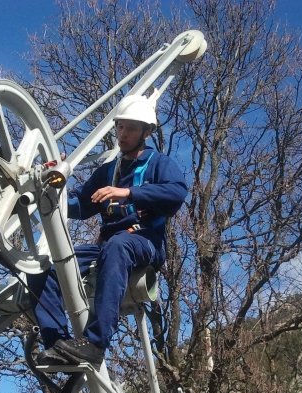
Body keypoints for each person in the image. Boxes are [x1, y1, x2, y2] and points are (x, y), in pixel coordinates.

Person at [28, 94, 188, 367]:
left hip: (144, 240)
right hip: (109, 245)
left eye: (131, 129)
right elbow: (79, 206)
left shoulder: (160, 164)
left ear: (147, 133)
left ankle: (95, 343)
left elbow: (176, 193)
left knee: (118, 246)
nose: (123, 134)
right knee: (44, 270)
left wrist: (129, 192)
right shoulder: (108, 171)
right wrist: (50, 187)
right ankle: (57, 344)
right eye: (120, 127)